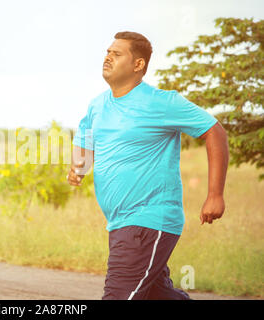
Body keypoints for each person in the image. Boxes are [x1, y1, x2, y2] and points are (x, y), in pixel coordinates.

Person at [67, 31, 229, 300]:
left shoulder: (162, 102)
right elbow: (86, 135)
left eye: (116, 54)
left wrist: (214, 195)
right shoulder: (98, 105)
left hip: (147, 221)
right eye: (107, 52)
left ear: (138, 65)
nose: (108, 57)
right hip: (119, 222)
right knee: (157, 295)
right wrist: (79, 167)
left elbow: (214, 131)